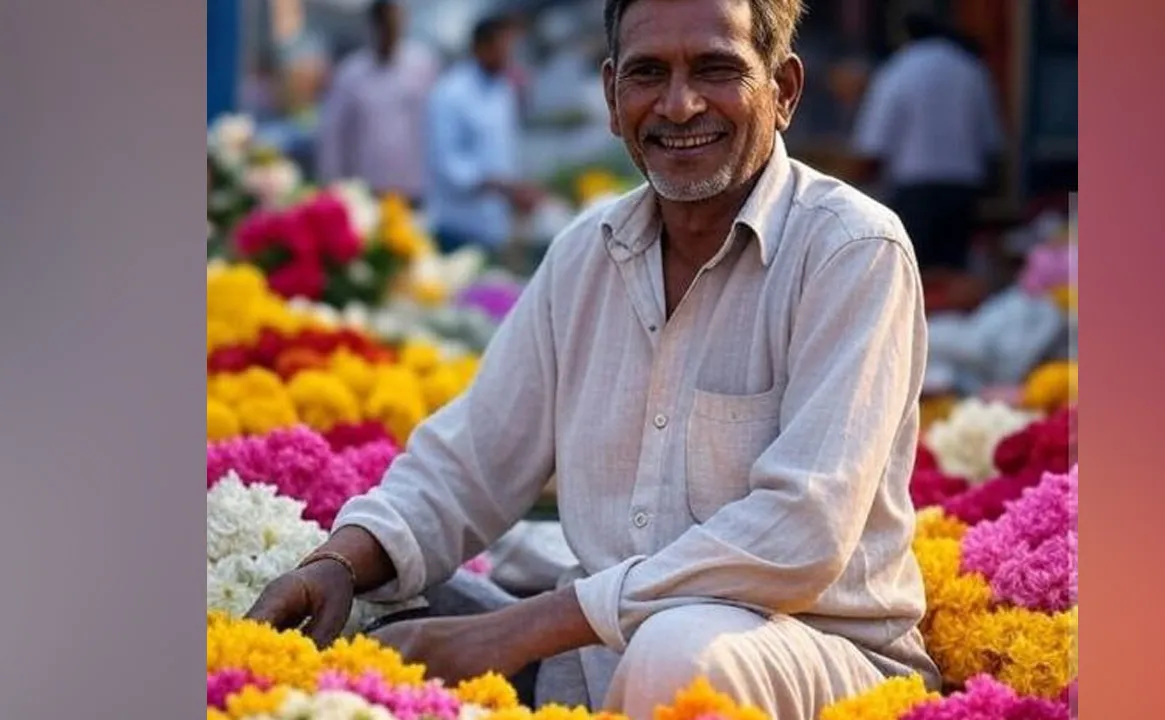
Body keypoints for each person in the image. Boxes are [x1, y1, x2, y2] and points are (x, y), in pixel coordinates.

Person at [246, 0, 940, 717]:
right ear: (613, 99)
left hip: (814, 652)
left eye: (715, 68)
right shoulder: (587, 253)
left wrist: (519, 629)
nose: (679, 104)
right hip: (596, 663)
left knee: (679, 653)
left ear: (784, 90)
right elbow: (469, 461)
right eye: (648, 74)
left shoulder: (852, 251)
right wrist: (339, 561)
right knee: (365, 621)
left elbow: (803, 531)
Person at [850, 11, 1004, 275]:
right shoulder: (971, 69)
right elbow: (991, 142)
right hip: (963, 191)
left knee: (912, 275)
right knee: (953, 275)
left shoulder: (898, 69)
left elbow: (873, 145)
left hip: (914, 191)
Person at [424, 14, 544, 255]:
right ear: (481, 47)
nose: (509, 55)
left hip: (494, 227)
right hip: (457, 228)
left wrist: (518, 190)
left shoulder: (503, 89)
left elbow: (506, 152)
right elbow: (450, 166)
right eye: (503, 47)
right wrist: (506, 188)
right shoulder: (450, 93)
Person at [315, 0, 436, 206]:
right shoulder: (351, 73)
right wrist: (332, 185)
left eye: (396, 24)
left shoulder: (422, 66)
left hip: (413, 189)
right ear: (374, 26)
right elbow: (333, 134)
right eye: (386, 25)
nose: (391, 32)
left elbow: (434, 126)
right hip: (366, 190)